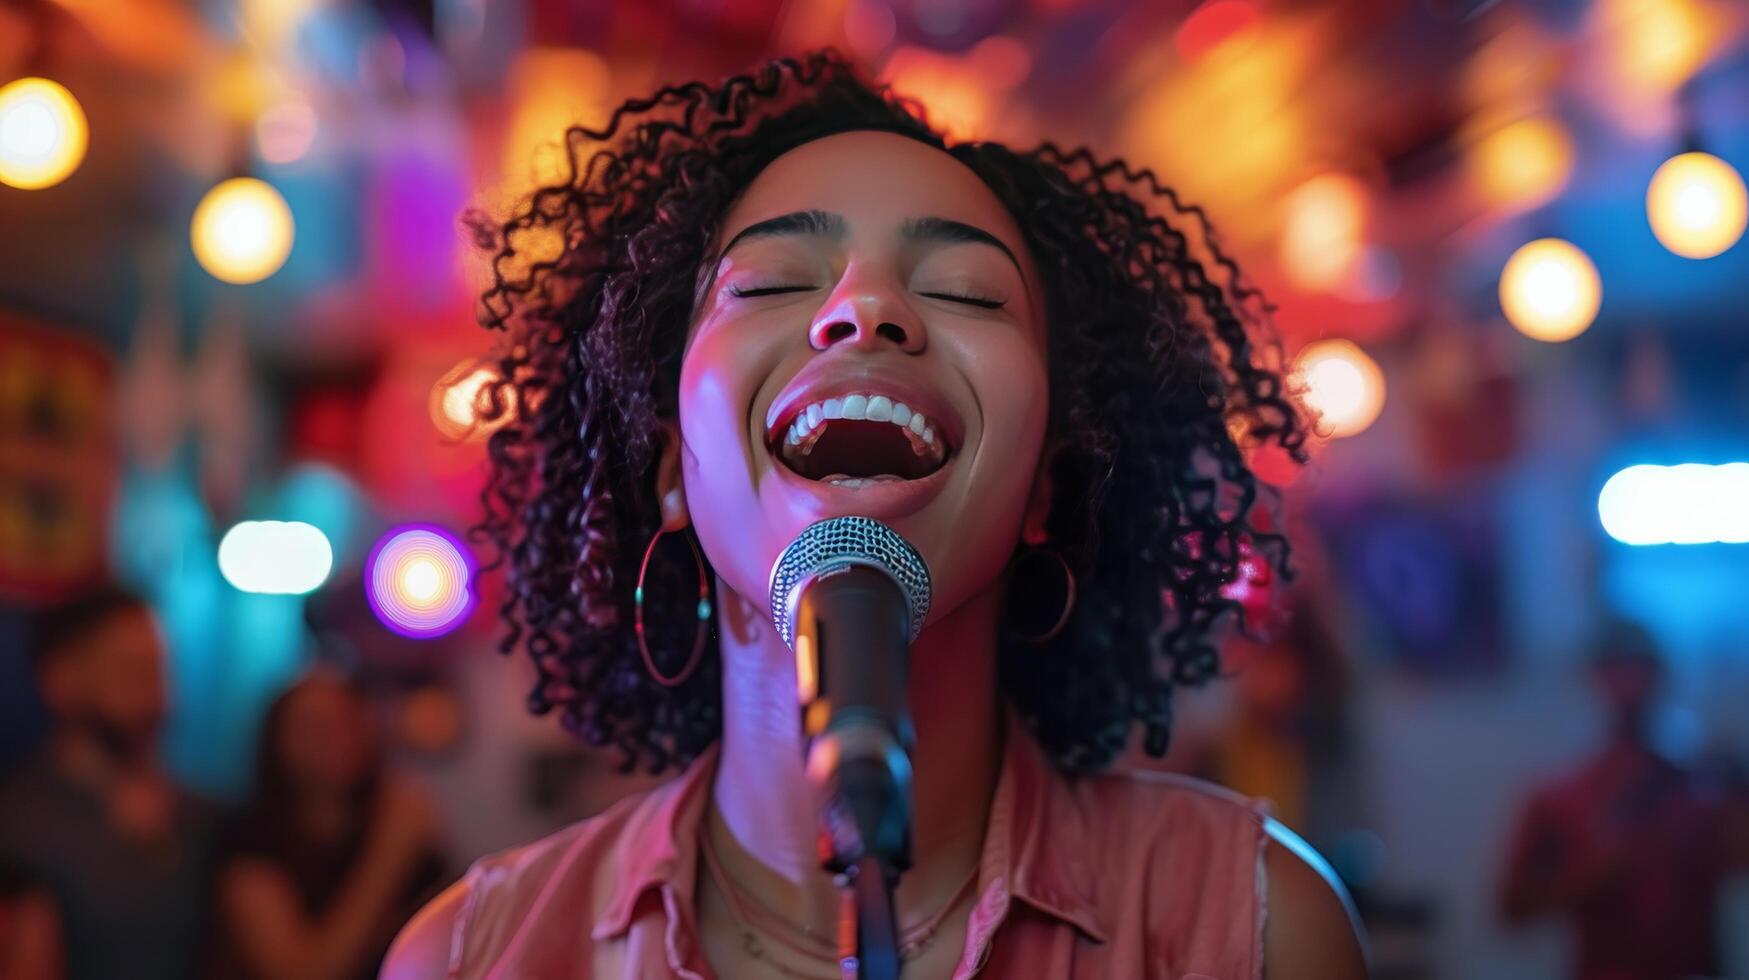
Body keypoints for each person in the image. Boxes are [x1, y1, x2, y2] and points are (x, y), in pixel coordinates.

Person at [388, 49, 1367, 979]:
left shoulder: (1251, 926)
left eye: (965, 291)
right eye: (772, 280)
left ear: (1045, 486)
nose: (866, 309)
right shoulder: (474, 956)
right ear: (669, 474)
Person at [0, 586, 219, 980]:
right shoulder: (19, 826)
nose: (156, 694)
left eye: (159, 669)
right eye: (129, 670)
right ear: (61, 680)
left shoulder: (200, 816)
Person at [1498, 619, 1731, 980]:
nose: (1631, 683)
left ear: (1659, 676)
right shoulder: (1561, 798)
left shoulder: (1698, 792)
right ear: (1598, 677)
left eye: (1641, 669)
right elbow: (1511, 907)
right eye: (1619, 669)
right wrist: (1593, 871)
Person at [213, 669, 448, 980]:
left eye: (345, 720)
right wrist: (390, 853)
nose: (333, 737)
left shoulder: (389, 815)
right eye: (311, 725)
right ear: (276, 740)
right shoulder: (253, 843)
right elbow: (302, 973)